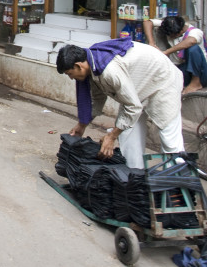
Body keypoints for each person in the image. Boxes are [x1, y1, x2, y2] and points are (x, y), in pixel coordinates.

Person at [57, 38, 185, 169]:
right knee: (127, 134)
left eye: (70, 74)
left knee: (170, 139)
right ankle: (135, 176)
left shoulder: (109, 71)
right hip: (137, 88)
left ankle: (178, 182)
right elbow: (97, 99)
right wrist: (82, 125)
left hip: (163, 81)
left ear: (79, 66)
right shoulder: (93, 64)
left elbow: (133, 107)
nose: (71, 78)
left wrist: (111, 136)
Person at [144, 15, 207, 93]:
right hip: (184, 70)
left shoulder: (195, 32)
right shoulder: (170, 23)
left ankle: (195, 83)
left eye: (171, 36)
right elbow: (148, 22)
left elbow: (191, 41)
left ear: (178, 33)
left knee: (193, 49)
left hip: (202, 74)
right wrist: (151, 42)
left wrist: (166, 52)